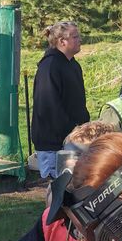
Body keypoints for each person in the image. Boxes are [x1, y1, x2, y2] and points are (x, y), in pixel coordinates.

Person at [31, 21, 89, 179]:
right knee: (58, 190)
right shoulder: (49, 66)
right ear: (62, 41)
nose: (80, 40)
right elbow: (49, 107)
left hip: (73, 139)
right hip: (53, 143)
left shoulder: (72, 64)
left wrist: (83, 127)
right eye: (75, 36)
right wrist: (72, 131)